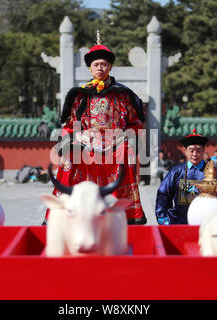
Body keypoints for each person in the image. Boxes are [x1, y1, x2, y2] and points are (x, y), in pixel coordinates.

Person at [45, 32, 147, 225]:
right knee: (70, 155)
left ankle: (123, 212)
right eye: (96, 65)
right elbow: (69, 125)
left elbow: (135, 123)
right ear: (90, 68)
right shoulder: (80, 95)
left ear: (110, 66)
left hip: (115, 142)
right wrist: (70, 142)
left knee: (125, 151)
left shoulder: (124, 95)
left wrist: (127, 137)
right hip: (87, 143)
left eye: (103, 64)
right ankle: (65, 211)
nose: (100, 68)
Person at [155, 130, 217, 225]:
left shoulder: (213, 172)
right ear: (185, 151)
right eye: (191, 150)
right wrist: (163, 219)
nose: (194, 154)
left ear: (204, 151)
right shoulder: (176, 171)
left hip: (205, 223)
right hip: (178, 222)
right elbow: (163, 194)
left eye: (198, 151)